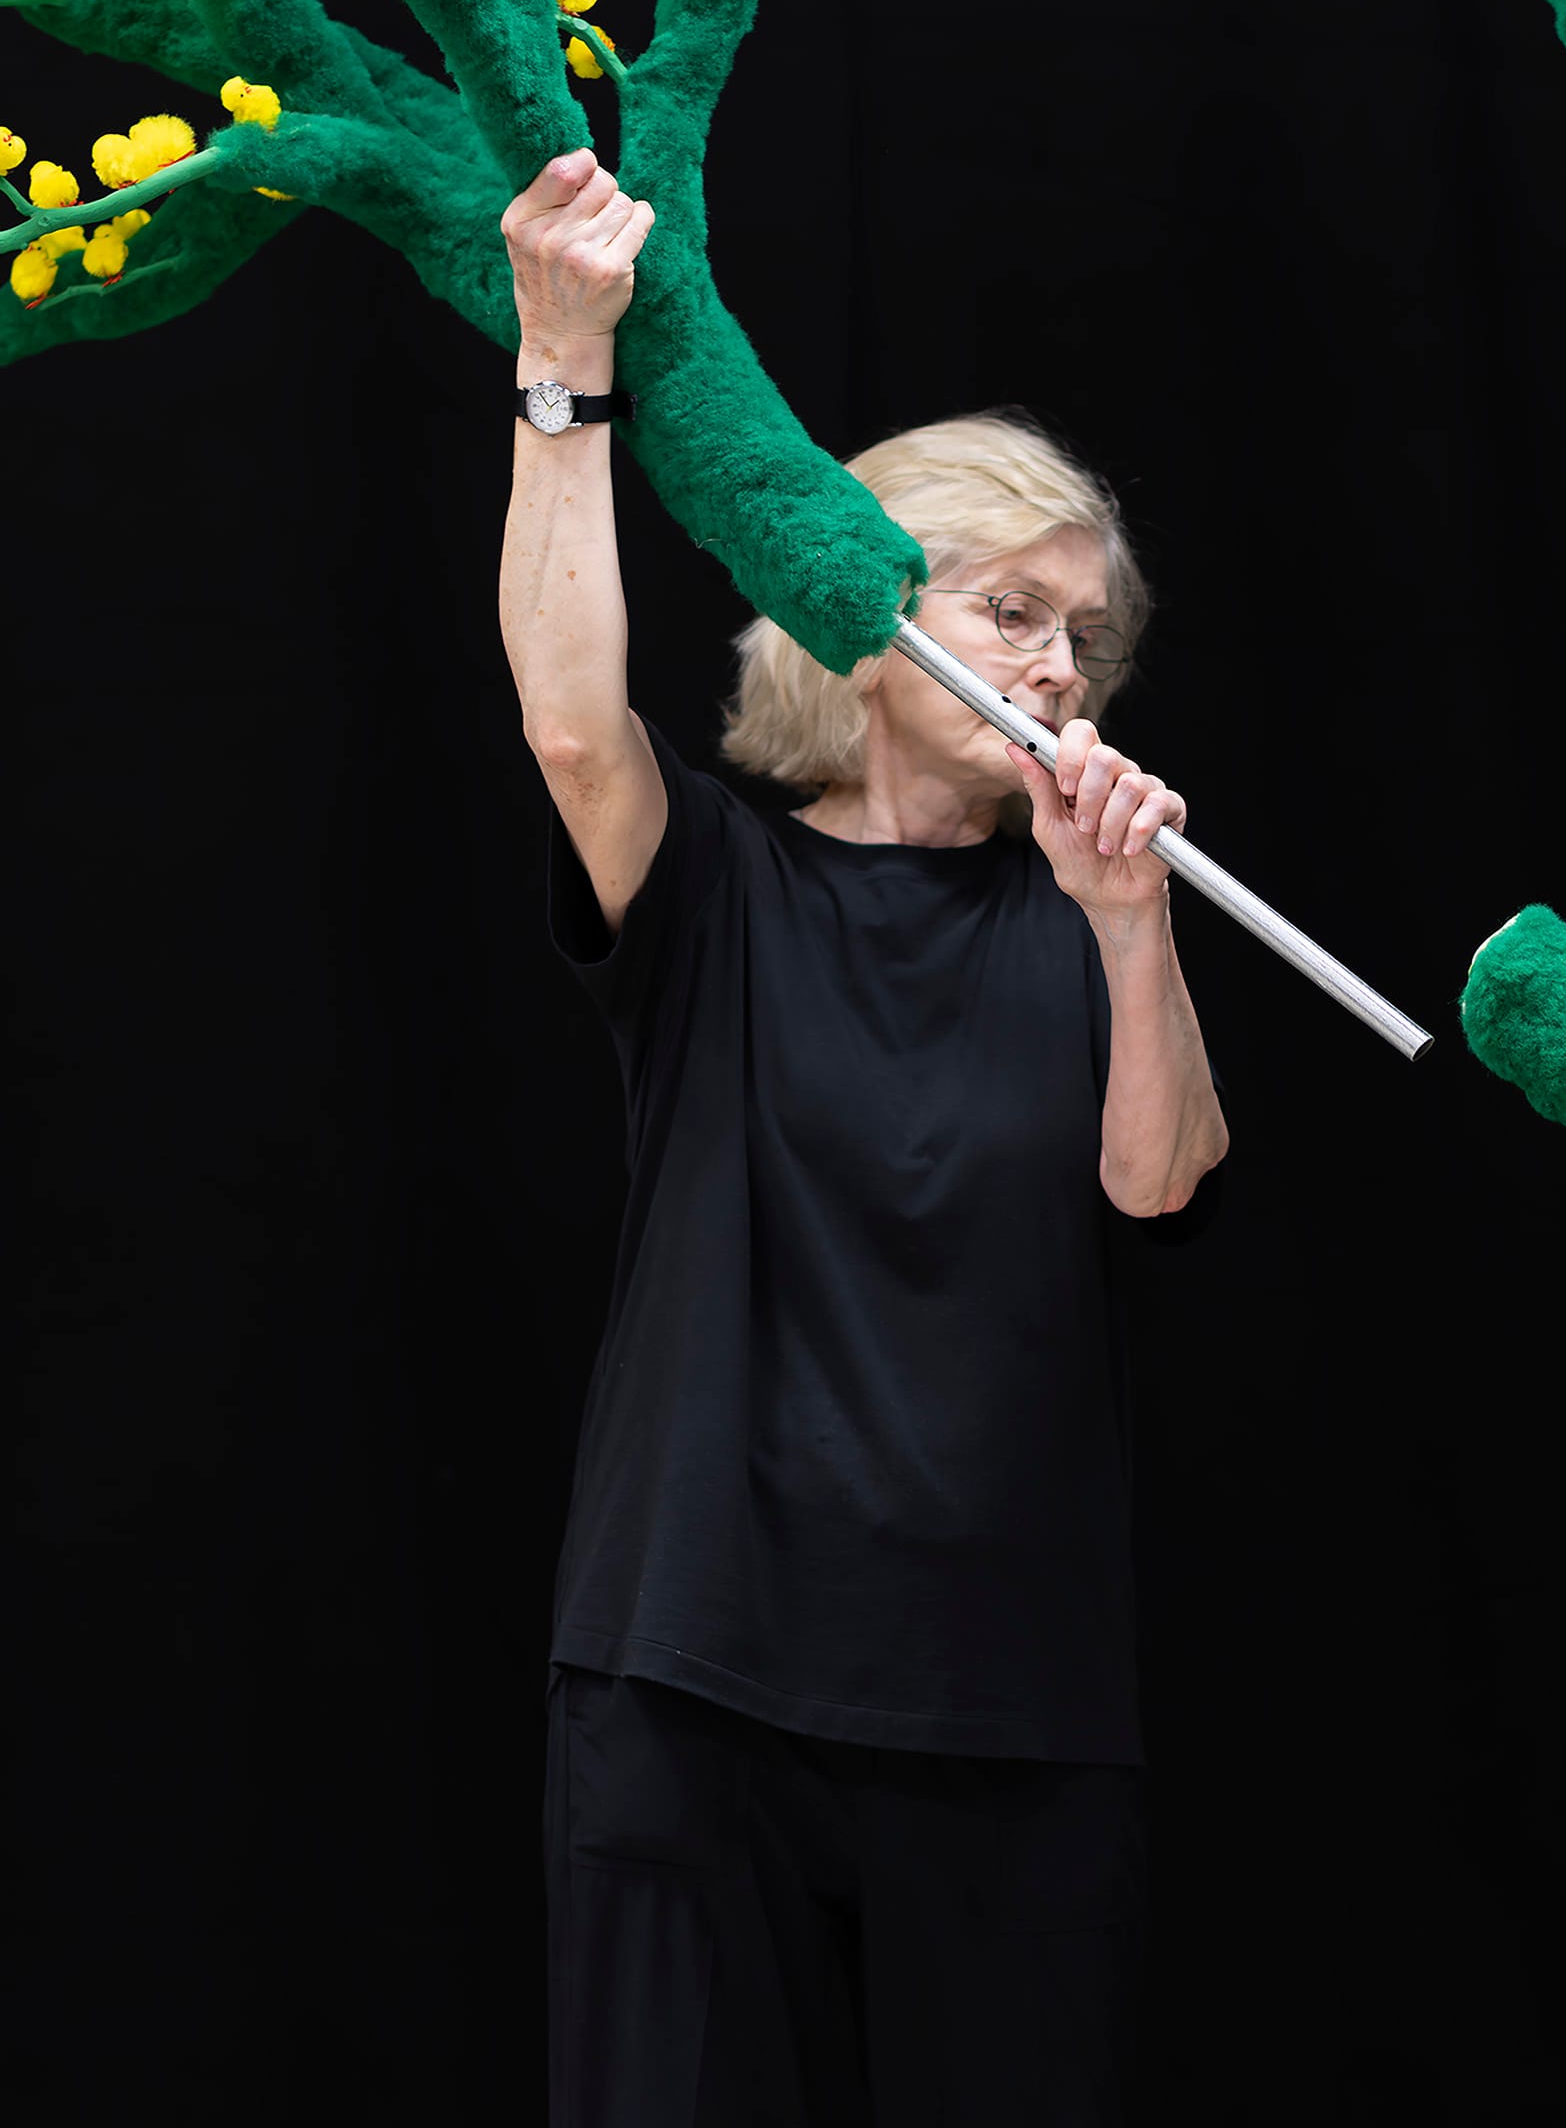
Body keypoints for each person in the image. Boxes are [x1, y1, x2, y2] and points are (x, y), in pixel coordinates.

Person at [500, 149, 1229, 2126]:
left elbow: (1160, 1181)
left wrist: (1134, 931)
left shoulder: (1091, 919)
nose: (1064, 665)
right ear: (864, 614)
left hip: (1014, 1711)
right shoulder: (722, 891)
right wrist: (564, 372)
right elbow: (577, 729)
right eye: (1013, 611)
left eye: (1088, 630)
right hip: (694, 1674)